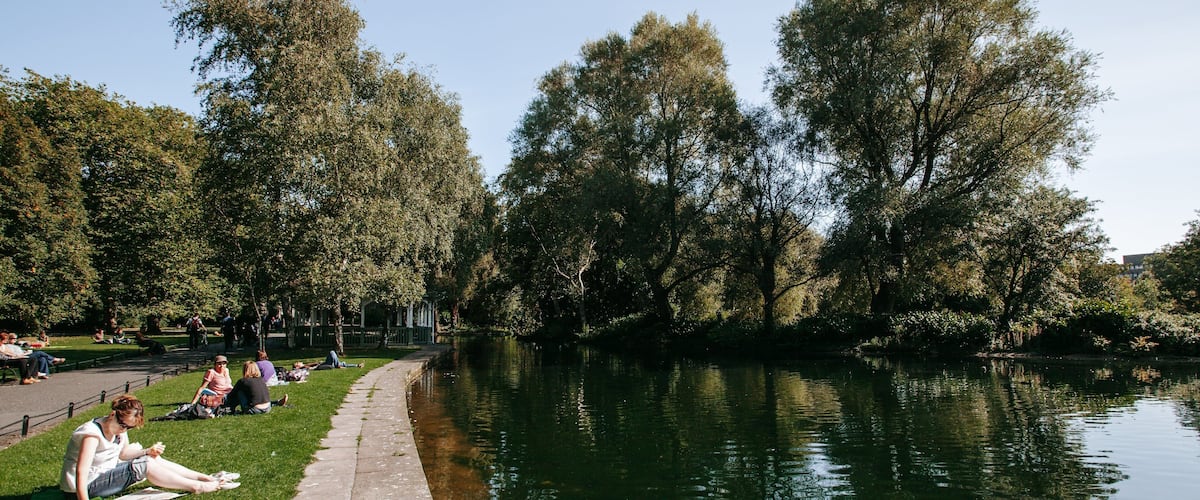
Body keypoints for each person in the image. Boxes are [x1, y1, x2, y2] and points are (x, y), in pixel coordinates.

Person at [60, 394, 240, 498]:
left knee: (150, 458)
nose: (124, 431)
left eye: (129, 428)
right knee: (144, 465)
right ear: (113, 414)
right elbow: (81, 472)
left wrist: (148, 451)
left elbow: (123, 454)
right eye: (124, 426)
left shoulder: (118, 429)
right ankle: (198, 486)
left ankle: (206, 479)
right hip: (83, 486)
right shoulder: (91, 434)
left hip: (103, 474)